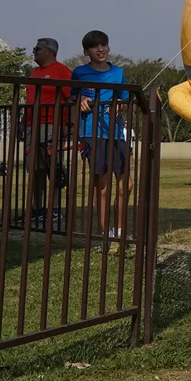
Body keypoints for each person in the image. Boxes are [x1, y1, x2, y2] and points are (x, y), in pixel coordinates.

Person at [72, 30, 132, 242]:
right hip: (91, 133)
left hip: (116, 133)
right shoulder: (79, 72)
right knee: (103, 185)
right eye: (95, 46)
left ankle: (121, 230)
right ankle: (104, 231)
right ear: (86, 51)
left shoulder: (118, 72)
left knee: (127, 184)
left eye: (104, 45)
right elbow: (73, 96)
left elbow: (124, 100)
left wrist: (119, 106)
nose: (101, 49)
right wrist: (80, 99)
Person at [23, 37, 73, 229]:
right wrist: (22, 122)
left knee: (52, 166)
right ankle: (38, 207)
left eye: (38, 48)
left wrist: (67, 124)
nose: (34, 51)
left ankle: (55, 208)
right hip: (31, 125)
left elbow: (71, 97)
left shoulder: (62, 71)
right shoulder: (34, 72)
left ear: (49, 52)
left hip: (50, 124)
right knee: (34, 168)